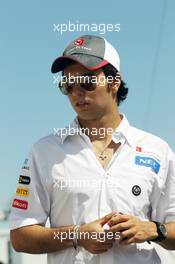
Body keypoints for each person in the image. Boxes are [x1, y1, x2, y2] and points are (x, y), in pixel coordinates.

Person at [10, 35, 175, 264]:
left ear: (114, 82)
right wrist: (77, 235)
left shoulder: (157, 150)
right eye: (68, 85)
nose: (77, 92)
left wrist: (153, 229)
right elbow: (20, 236)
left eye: (87, 81)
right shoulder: (44, 151)